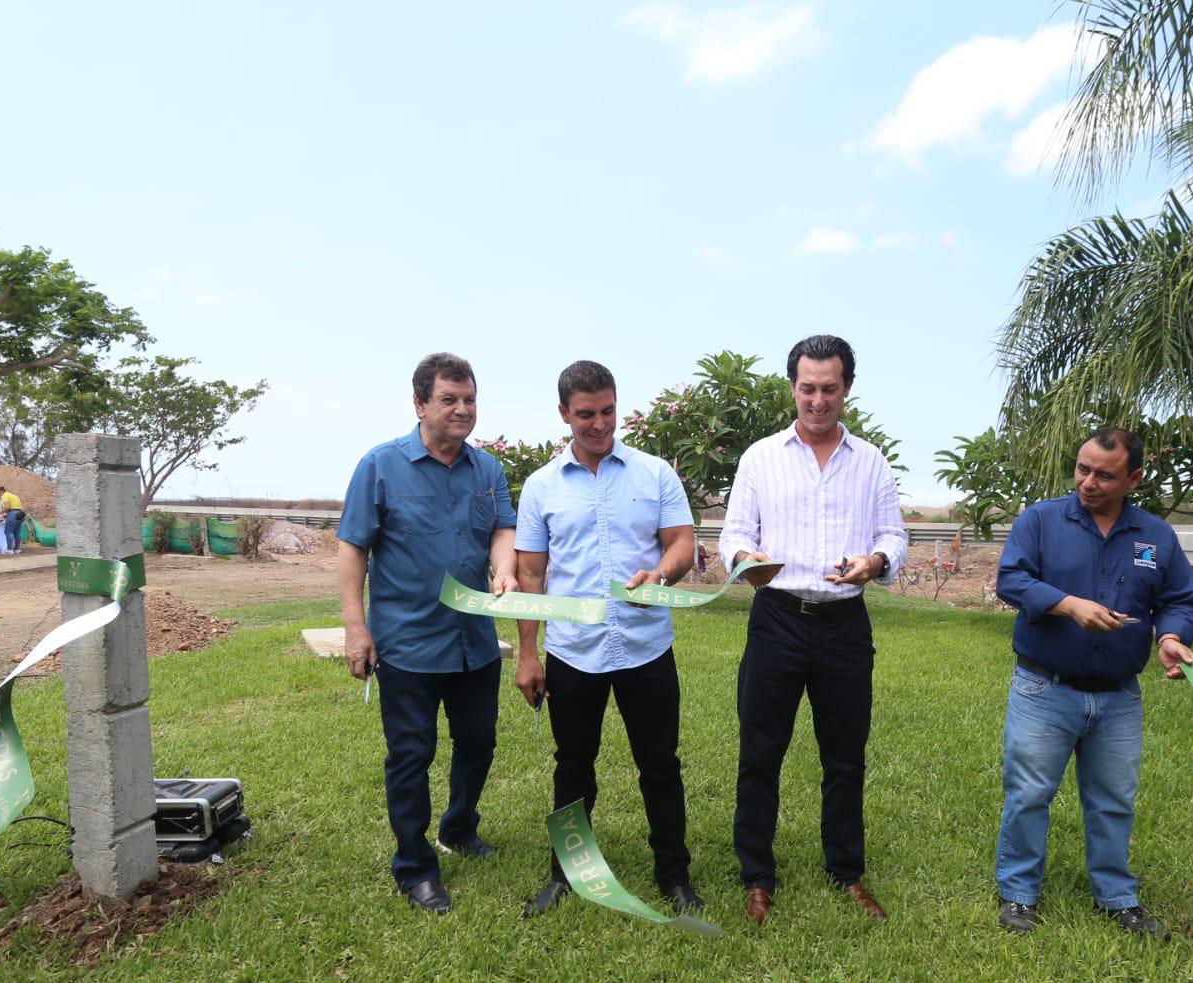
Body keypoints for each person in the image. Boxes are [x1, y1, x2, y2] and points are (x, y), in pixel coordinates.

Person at [718, 334, 907, 925]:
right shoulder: (760, 457)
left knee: (845, 756)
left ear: (846, 389)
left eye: (829, 389)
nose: (818, 401)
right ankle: (756, 876)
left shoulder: (870, 460)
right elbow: (732, 535)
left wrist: (874, 564)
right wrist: (746, 560)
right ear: (792, 387)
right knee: (761, 752)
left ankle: (846, 872)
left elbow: (893, 537)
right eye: (807, 388)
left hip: (844, 624)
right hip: (776, 618)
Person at [993, 428, 1193, 940]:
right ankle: (1018, 894)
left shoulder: (1155, 536)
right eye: (1082, 469)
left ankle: (1117, 897)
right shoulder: (1042, 520)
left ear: (1134, 478)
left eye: (1104, 475)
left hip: (1119, 697)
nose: (1088, 482)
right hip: (1044, 688)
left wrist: (1171, 637)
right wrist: (1067, 604)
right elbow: (1011, 579)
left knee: (1113, 799)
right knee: (1029, 793)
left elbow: (1181, 598)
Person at [514, 361, 703, 919]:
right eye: (585, 415)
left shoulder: (655, 474)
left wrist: (662, 574)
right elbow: (530, 577)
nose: (599, 425)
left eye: (608, 411)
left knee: (661, 765)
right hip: (574, 651)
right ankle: (565, 874)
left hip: (647, 647)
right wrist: (528, 654)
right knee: (573, 766)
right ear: (563, 415)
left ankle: (674, 874)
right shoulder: (541, 487)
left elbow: (682, 546)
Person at [337, 353, 518, 915]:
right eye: (449, 399)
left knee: (480, 743)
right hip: (410, 645)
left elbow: (503, 530)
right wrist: (354, 628)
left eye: (469, 399)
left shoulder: (487, 470)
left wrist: (505, 565)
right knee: (411, 755)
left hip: (474, 645)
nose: (462, 409)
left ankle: (459, 826)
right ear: (420, 404)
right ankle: (415, 866)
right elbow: (353, 547)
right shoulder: (381, 465)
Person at [0, 484, 24, 553]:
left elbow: (7, 507)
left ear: (0, 492)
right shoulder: (12, 495)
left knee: (8, 532)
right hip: (20, 513)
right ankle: (17, 549)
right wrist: (6, 515)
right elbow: (16, 506)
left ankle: (9, 550)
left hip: (13, 514)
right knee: (17, 532)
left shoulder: (4, 496)